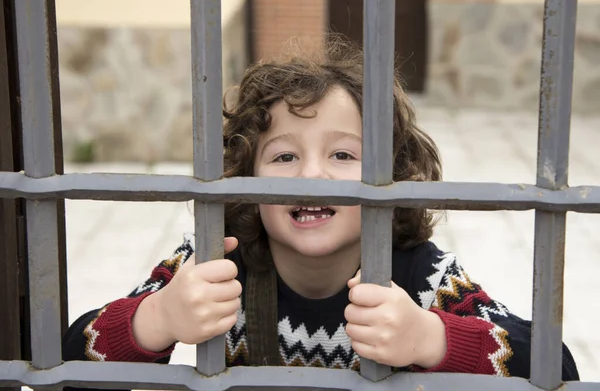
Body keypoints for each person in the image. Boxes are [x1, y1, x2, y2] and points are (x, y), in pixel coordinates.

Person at [62, 35, 579, 381]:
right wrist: (158, 317)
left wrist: (430, 337)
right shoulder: (217, 265)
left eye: (343, 155)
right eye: (285, 155)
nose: (312, 175)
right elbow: (65, 361)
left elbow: (555, 366)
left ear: (391, 178)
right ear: (247, 178)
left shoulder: (421, 273)